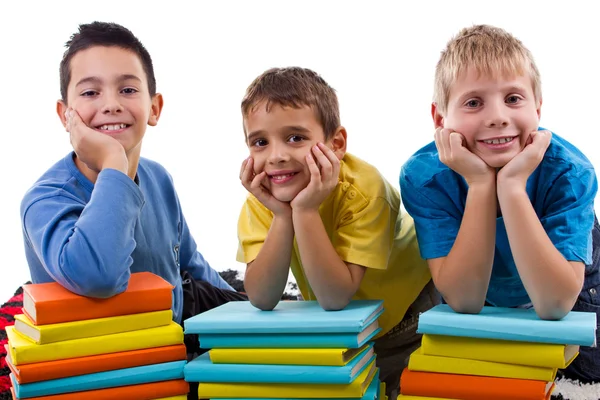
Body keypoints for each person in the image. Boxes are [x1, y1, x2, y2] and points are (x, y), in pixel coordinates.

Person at [19, 21, 247, 360]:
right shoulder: (44, 200)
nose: (110, 104)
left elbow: (188, 260)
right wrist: (113, 161)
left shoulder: (158, 177)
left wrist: (244, 312)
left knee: (270, 327)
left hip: (178, 315)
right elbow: (99, 276)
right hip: (112, 354)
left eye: (127, 90)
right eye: (90, 92)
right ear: (65, 115)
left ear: (154, 108)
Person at [399, 24, 600, 382]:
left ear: (538, 107)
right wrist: (479, 184)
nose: (497, 117)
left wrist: (512, 188)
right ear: (440, 118)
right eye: (474, 102)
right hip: (479, 279)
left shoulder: (571, 172)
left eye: (513, 99)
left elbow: (555, 306)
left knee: (585, 374)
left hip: (567, 277)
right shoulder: (423, 176)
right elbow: (464, 301)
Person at [236, 67, 438, 399]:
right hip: (341, 321)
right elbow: (261, 297)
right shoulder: (265, 199)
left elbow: (335, 297)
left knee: (405, 388)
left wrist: (304, 210)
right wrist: (283, 217)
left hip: (408, 314)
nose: (277, 156)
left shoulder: (367, 191)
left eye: (296, 138)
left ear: (337, 143)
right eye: (260, 142)